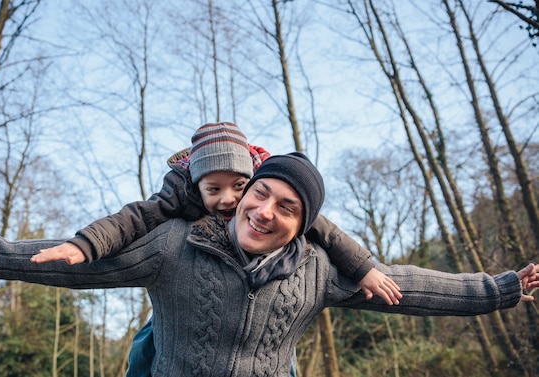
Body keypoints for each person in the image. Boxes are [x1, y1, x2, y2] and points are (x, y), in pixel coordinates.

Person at [0, 152, 539, 377]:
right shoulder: (174, 243)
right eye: (260, 194)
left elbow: (413, 289)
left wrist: (504, 288)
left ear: (302, 225)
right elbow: (69, 263)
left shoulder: (316, 270)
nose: (264, 212)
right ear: (242, 194)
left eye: (288, 207)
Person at [23, 121, 401, 376]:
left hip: (257, 301)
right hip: (188, 287)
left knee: (280, 349)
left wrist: (364, 267)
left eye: (239, 187)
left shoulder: (268, 193)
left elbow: (327, 231)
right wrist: (85, 244)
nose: (227, 200)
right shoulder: (178, 195)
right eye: (213, 190)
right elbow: (131, 220)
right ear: (196, 185)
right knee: (148, 340)